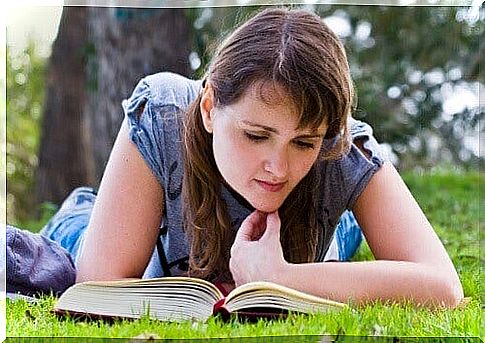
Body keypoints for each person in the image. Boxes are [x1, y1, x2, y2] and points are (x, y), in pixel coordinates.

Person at [39, 7, 462, 307]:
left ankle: (341, 223)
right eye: (256, 135)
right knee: (73, 241)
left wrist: (280, 278)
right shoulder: (166, 112)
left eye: (303, 143)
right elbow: (97, 284)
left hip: (303, 236)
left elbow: (443, 286)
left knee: (339, 235)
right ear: (209, 108)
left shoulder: (342, 146)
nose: (278, 167)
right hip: (120, 218)